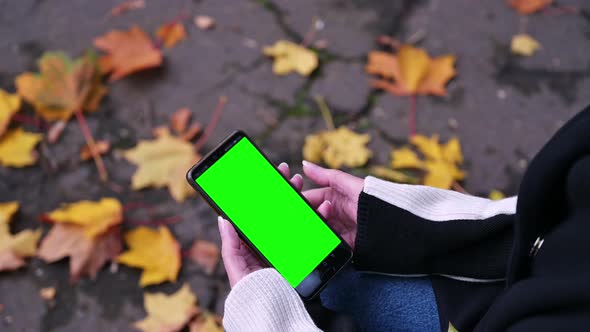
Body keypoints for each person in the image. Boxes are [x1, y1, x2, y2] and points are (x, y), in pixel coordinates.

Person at [218, 107, 590, 331]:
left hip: (495, 313)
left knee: (322, 287)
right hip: (502, 294)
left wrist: (263, 313)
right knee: (330, 277)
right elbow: (557, 224)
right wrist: (405, 226)